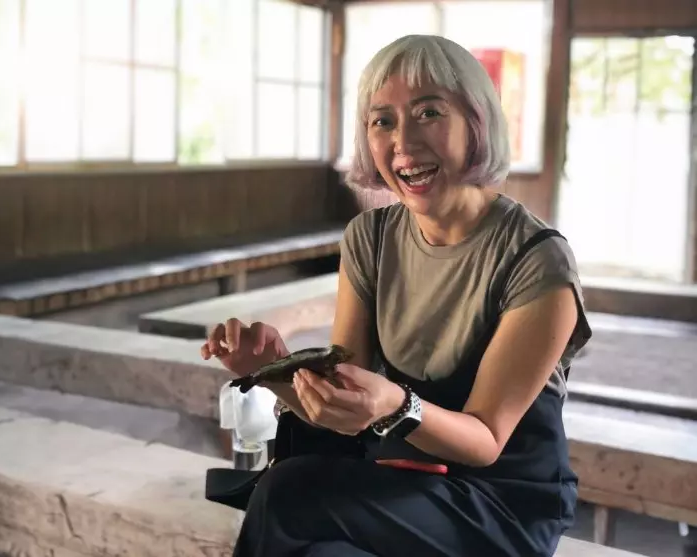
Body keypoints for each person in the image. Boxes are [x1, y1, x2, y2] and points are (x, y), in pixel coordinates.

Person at [201, 34, 592, 557]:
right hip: (400, 476)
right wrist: (270, 369)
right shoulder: (371, 238)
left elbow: (485, 440)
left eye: (428, 112)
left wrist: (397, 405)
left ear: (476, 121)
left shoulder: (537, 260)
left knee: (285, 492)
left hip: (500, 501)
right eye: (382, 121)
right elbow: (344, 409)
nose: (403, 143)